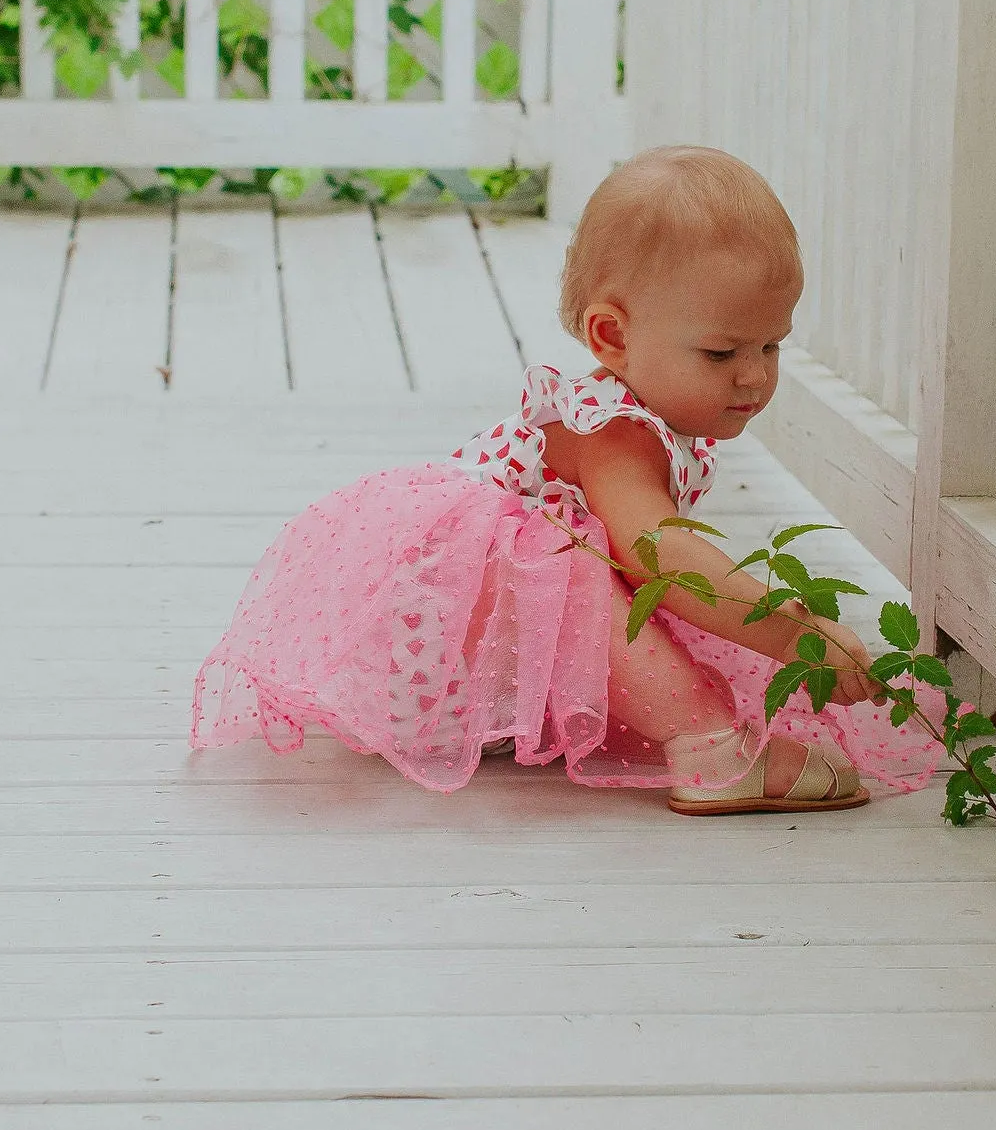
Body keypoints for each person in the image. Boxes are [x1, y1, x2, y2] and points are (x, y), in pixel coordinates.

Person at [192, 145, 941, 812]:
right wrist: (794, 629)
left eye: (772, 345)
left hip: (468, 651)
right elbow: (662, 560)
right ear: (611, 336)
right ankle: (711, 743)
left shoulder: (636, 415)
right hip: (445, 638)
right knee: (572, 567)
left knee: (598, 573)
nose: (754, 376)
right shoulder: (613, 430)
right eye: (721, 352)